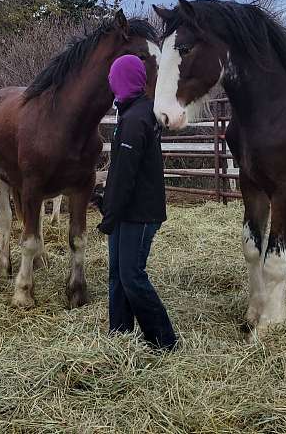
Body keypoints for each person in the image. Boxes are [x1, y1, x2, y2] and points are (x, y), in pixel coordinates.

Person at [98, 54, 177, 351]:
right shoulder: (131, 112)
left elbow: (126, 176)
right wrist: (107, 203)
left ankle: (163, 340)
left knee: (132, 275)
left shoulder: (136, 118)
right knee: (117, 273)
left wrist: (109, 214)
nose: (110, 81)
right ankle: (119, 335)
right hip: (126, 211)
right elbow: (120, 171)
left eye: (113, 76)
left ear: (124, 80)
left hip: (140, 213)